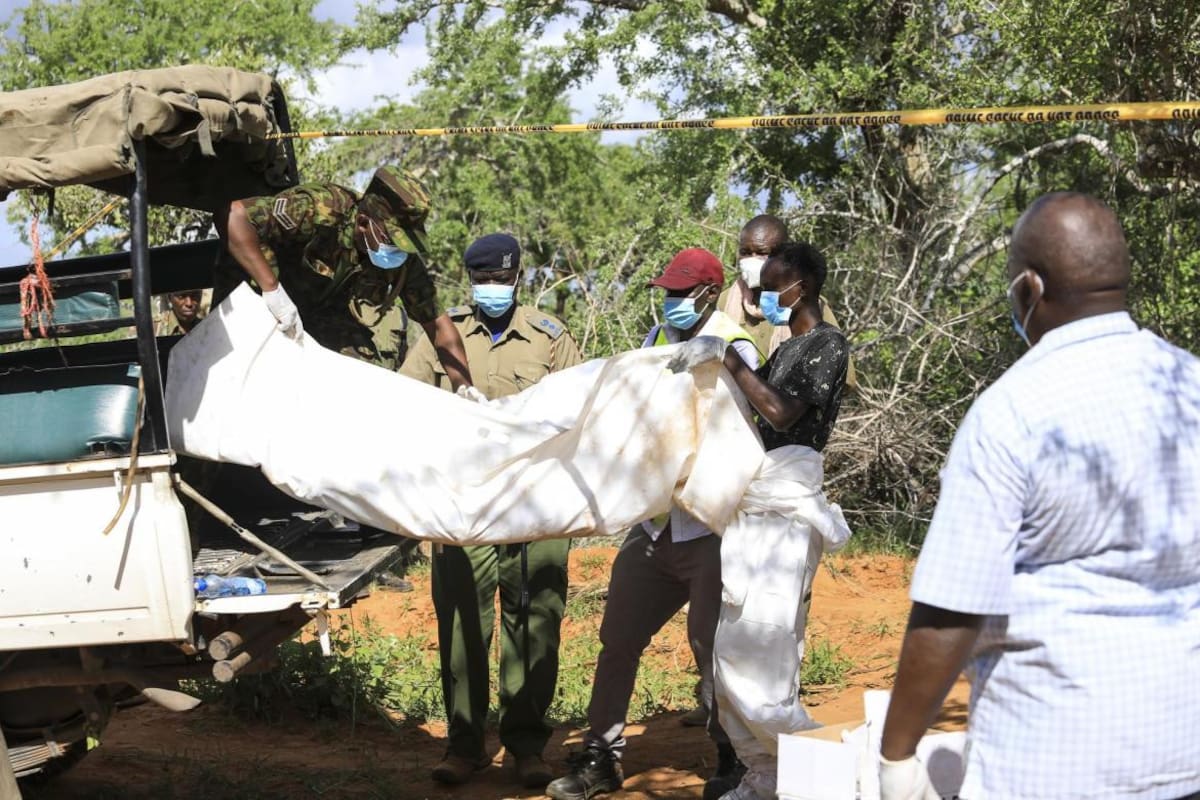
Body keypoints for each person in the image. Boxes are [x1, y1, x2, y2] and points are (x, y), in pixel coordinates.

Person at [879, 193, 1200, 800]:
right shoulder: (1188, 383)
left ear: (1029, 289)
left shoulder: (1011, 412)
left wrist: (897, 754)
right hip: (1183, 746)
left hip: (1055, 756)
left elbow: (952, 611)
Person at [545, 248, 760, 800]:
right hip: (655, 527)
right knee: (618, 639)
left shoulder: (734, 344)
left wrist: (726, 361)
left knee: (712, 650)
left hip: (711, 529)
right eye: (666, 291)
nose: (670, 302)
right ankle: (601, 756)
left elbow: (747, 422)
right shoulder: (654, 340)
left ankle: (733, 758)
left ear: (710, 293)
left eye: (679, 292)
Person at [400, 233, 583, 789]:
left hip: (538, 501)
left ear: (519, 278)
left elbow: (580, 413)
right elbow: (406, 405)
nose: (494, 289)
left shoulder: (550, 338)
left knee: (536, 622)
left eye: (503, 280)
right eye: (484, 280)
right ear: (470, 280)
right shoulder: (440, 336)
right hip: (465, 502)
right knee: (460, 622)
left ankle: (526, 745)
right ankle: (464, 745)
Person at [669, 241, 849, 800]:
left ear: (804, 288)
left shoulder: (825, 346)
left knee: (762, 648)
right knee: (730, 652)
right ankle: (765, 775)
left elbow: (780, 411)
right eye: (760, 285)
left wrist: (725, 357)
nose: (764, 295)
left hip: (785, 513)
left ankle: (827, 769)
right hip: (757, 510)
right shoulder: (787, 349)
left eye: (774, 285)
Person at [220, 165, 471, 384]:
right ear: (363, 223)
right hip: (260, 303)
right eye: (392, 239)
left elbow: (438, 326)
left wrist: (465, 387)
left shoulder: (401, 260)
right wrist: (272, 289)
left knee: (362, 373)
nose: (398, 250)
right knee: (255, 375)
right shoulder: (322, 207)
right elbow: (232, 216)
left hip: (318, 316)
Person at [720, 213, 856, 387]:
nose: (751, 260)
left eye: (762, 253)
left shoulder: (806, 303)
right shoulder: (724, 301)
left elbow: (842, 378)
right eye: (745, 253)